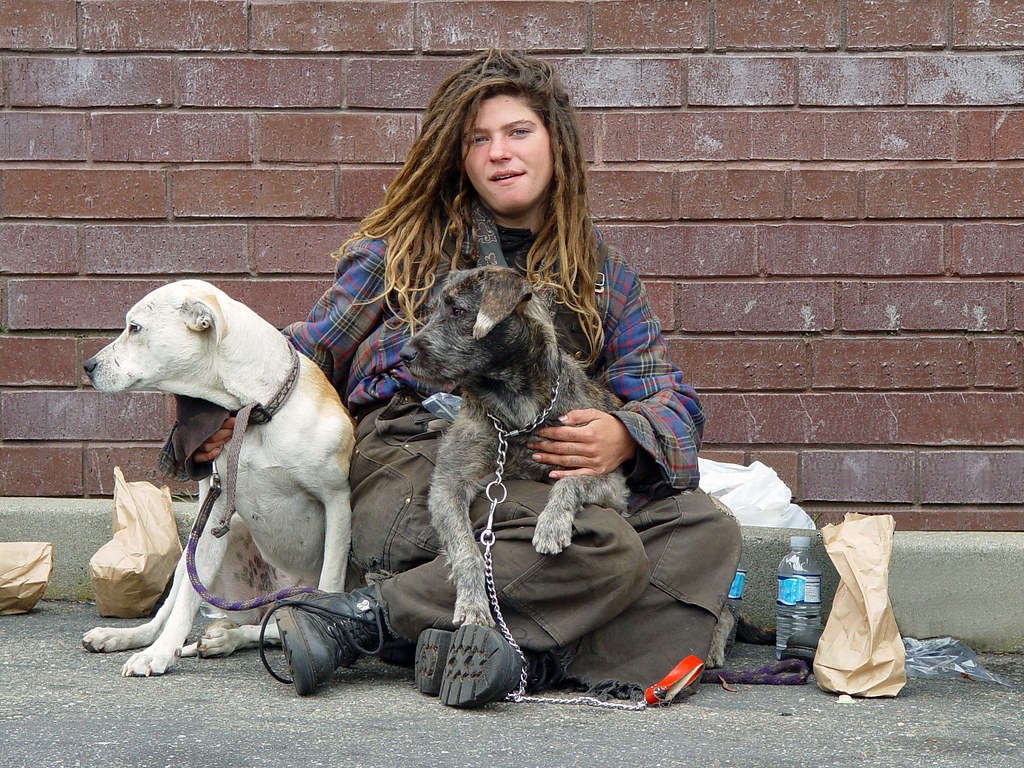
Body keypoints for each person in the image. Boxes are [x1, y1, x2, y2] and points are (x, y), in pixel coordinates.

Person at [195, 49, 741, 707]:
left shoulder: (603, 278)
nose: (498, 153)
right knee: (601, 548)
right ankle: (356, 619)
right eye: (479, 139)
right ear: (460, 157)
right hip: (411, 466)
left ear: (556, 144)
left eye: (518, 132)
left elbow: (668, 397)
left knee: (704, 530)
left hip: (531, 476)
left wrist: (626, 434)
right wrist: (211, 415)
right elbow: (306, 354)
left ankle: (497, 655)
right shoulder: (404, 249)